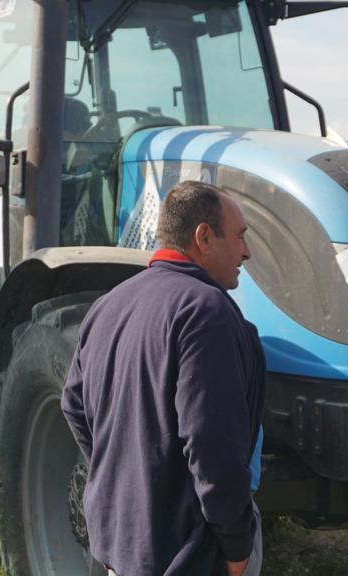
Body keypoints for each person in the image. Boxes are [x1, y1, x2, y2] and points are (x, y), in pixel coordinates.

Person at [61, 180, 265, 576]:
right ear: (204, 237)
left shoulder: (108, 305)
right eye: (239, 236)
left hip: (122, 550)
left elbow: (73, 405)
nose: (246, 251)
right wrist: (236, 544)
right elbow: (213, 443)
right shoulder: (207, 313)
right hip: (187, 556)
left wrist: (123, 479)